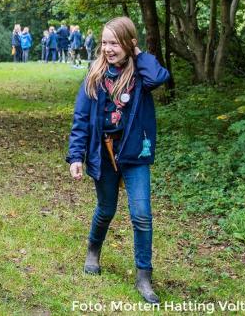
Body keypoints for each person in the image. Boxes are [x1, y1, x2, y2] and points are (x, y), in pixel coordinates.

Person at [66, 16, 169, 304]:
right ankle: (93, 251)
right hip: (104, 153)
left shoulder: (140, 74)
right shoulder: (95, 75)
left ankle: (144, 277)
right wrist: (76, 155)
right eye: (104, 43)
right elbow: (81, 119)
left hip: (135, 154)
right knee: (106, 208)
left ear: (128, 43)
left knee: (141, 215)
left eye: (114, 43)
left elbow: (159, 78)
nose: (108, 49)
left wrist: (138, 53)